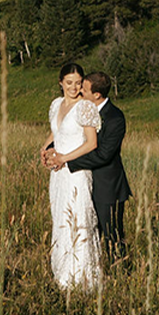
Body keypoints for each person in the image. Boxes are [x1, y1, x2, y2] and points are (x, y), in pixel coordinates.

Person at [53, 70, 132, 266]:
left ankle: (120, 271)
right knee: (86, 230)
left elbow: (103, 154)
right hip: (81, 181)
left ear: (97, 95)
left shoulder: (115, 118)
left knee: (111, 232)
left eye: (84, 89)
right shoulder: (83, 109)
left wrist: (69, 162)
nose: (79, 91)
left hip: (107, 185)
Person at [40, 62, 103, 290]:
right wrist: (46, 146)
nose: (74, 87)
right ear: (60, 83)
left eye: (78, 83)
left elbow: (92, 143)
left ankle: (82, 279)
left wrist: (64, 157)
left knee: (78, 219)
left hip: (76, 172)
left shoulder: (85, 107)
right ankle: (62, 275)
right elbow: (58, 129)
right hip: (58, 173)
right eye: (69, 83)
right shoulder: (57, 104)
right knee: (61, 219)